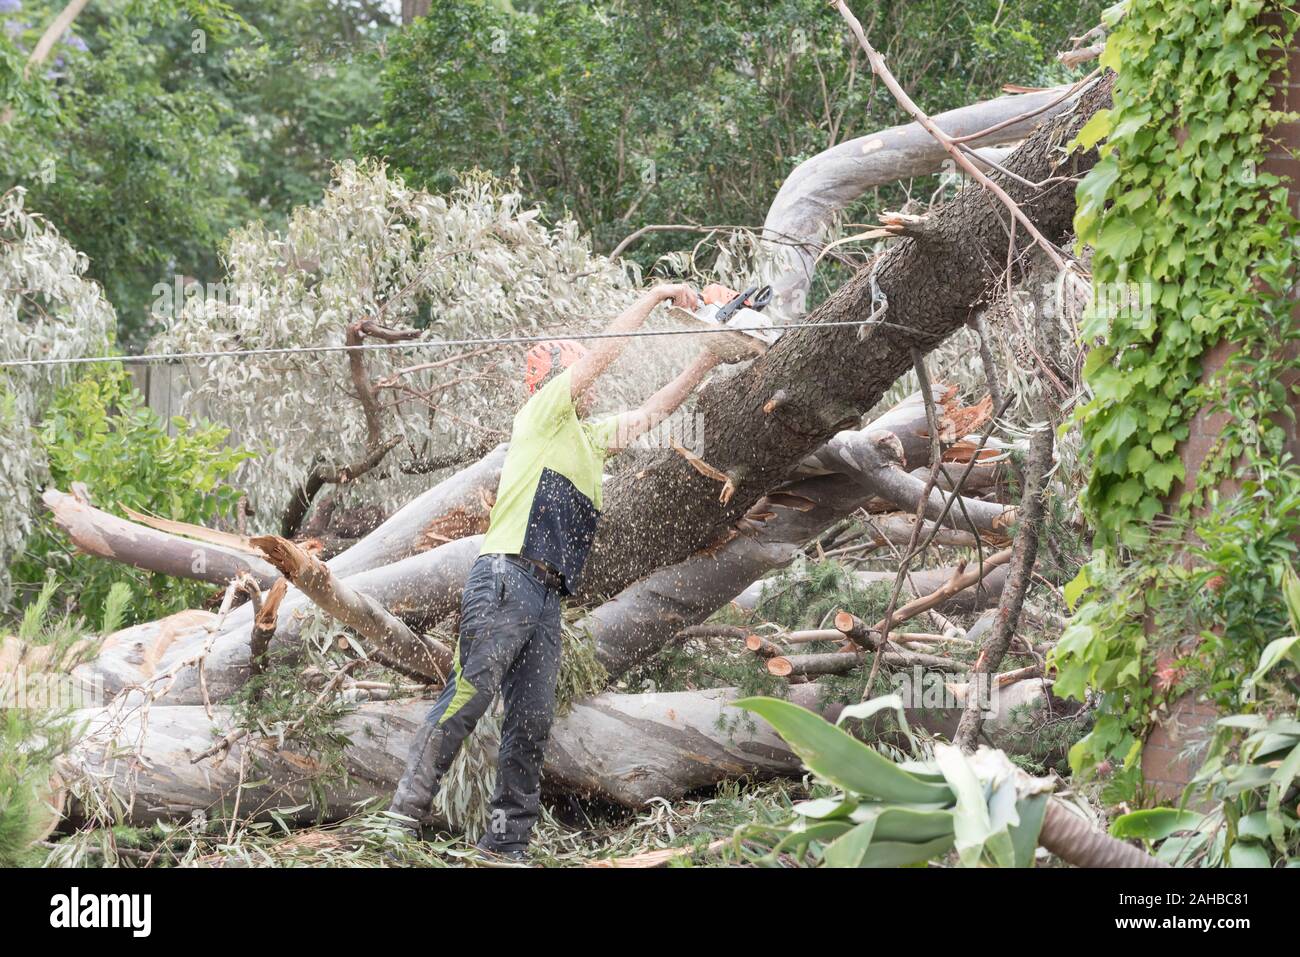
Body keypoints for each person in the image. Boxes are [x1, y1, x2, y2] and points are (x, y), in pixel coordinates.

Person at [388, 282, 722, 860]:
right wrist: (657, 295)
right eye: (576, 375)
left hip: (547, 597)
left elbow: (654, 412)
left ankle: (507, 843)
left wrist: (710, 355)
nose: (588, 387)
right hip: (504, 578)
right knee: (467, 697)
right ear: (553, 379)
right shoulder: (540, 415)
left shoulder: (588, 441)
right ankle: (398, 822)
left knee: (531, 723)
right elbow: (603, 356)